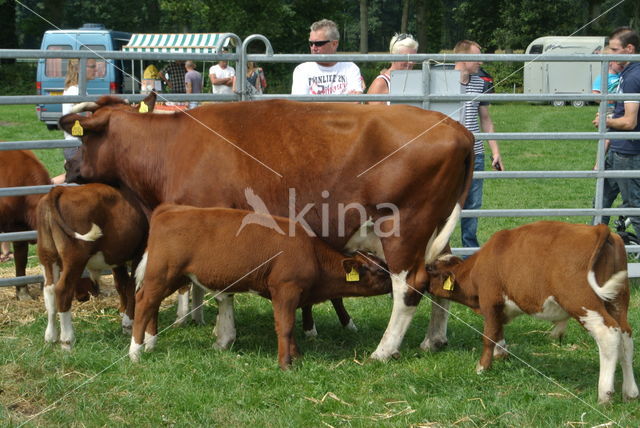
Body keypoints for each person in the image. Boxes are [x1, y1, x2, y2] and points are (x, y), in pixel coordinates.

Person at [454, 40, 504, 249]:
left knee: (473, 204)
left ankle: (469, 250)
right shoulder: (441, 82)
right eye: (476, 57)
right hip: (449, 152)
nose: (480, 61)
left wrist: (495, 151)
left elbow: (486, 119)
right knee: (442, 202)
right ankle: (440, 249)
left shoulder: (481, 83)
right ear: (463, 58)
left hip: (475, 152)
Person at [592, 27, 640, 234]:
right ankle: (593, 247)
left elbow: (629, 122)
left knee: (634, 207)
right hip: (617, 149)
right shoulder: (626, 73)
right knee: (600, 202)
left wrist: (606, 121)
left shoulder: (632, 77)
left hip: (628, 153)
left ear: (629, 49)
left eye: (614, 49)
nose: (609, 54)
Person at [592, 46, 624, 226]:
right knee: (606, 137)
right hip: (608, 109)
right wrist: (608, 99)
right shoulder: (603, 77)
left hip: (617, 114)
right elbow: (595, 94)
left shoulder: (624, 77)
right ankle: (599, 161)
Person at [51, 58, 96, 185]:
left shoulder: (78, 89)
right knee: (78, 179)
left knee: (74, 179)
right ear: (79, 69)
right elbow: (87, 116)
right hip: (75, 144)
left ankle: (42, 187)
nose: (95, 70)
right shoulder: (75, 91)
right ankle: (42, 188)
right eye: (92, 67)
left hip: (74, 143)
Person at [291, 19, 362, 95]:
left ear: (334, 44)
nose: (313, 48)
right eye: (311, 43)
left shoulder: (351, 68)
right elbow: (299, 104)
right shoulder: (302, 70)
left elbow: (354, 102)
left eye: (319, 43)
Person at [367, 33, 418, 104]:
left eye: (414, 58)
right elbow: (374, 114)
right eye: (406, 58)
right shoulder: (381, 84)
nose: (411, 62)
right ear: (393, 56)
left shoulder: (414, 80)